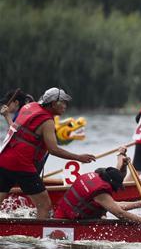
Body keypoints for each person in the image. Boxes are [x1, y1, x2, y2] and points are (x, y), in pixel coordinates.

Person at [0, 88, 96, 218]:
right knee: (44, 205)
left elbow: (15, 130)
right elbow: (53, 149)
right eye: (63, 102)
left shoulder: (29, 107)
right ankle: (39, 231)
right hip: (21, 164)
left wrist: (7, 116)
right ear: (53, 103)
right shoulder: (48, 122)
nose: (65, 106)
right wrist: (79, 157)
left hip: (4, 159)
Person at [53, 147, 141, 226]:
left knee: (103, 213)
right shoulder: (100, 192)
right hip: (65, 222)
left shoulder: (99, 176)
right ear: (110, 183)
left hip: (63, 214)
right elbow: (120, 213)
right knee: (104, 215)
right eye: (116, 187)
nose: (115, 190)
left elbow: (114, 205)